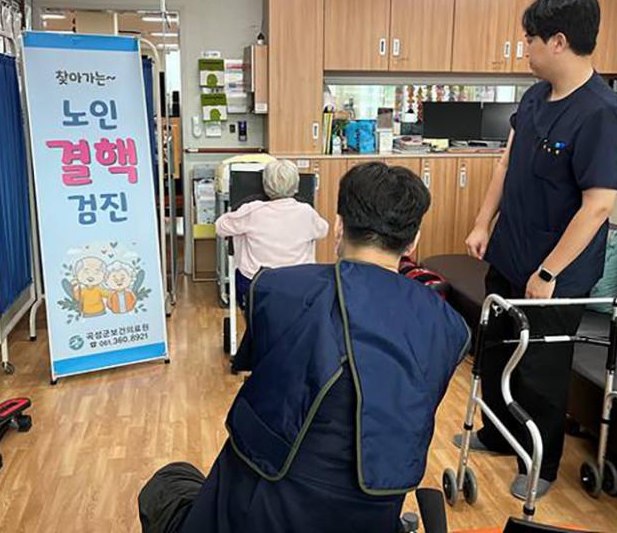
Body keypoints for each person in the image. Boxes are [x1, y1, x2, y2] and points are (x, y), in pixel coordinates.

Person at [139, 162, 471, 533]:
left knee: (169, 482)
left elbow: (266, 371)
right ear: (413, 241)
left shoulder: (276, 290)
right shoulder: (449, 327)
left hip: (261, 510)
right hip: (368, 517)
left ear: (340, 226)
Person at [460, 0, 617, 499]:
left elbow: (598, 206)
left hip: (556, 274)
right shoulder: (535, 97)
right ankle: (496, 433)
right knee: (495, 352)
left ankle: (540, 464)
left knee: (539, 371)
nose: (524, 50)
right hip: (510, 253)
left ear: (558, 42)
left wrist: (550, 271)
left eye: (529, 40)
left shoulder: (601, 113)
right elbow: (505, 164)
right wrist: (482, 224)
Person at [214, 159, 328, 309]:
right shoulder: (306, 212)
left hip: (257, 285)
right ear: (296, 185)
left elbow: (220, 227)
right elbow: (323, 230)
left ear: (265, 184)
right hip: (299, 285)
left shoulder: (252, 210)